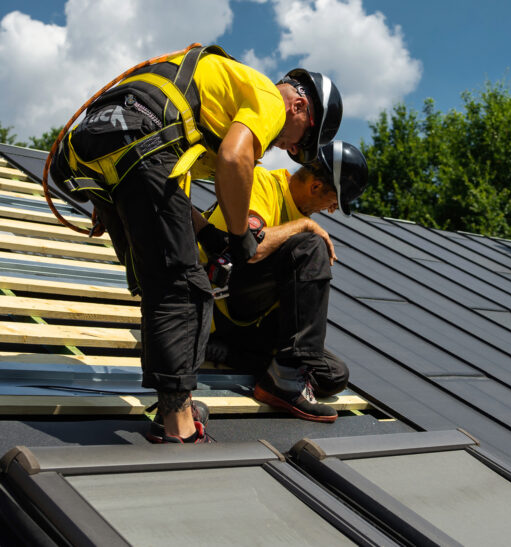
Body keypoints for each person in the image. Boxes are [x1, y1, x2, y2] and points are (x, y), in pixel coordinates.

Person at [49, 44, 343, 443]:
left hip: (99, 146)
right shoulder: (271, 99)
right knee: (184, 288)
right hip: (137, 141)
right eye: (300, 143)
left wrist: (206, 231)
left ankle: (177, 405)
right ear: (301, 109)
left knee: (159, 281)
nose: (288, 149)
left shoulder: (206, 98)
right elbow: (235, 158)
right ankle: (178, 427)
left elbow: (173, 191)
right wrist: (240, 236)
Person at [198, 140, 368, 423]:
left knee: (333, 375)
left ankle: (235, 354)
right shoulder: (261, 183)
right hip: (217, 300)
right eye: (333, 202)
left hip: (250, 324)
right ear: (315, 187)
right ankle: (285, 379)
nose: (330, 211)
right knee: (311, 245)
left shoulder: (299, 216)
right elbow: (247, 249)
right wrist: (302, 226)